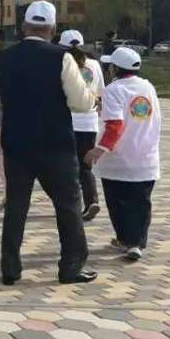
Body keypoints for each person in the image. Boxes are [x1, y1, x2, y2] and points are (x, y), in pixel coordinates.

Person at [0, 1, 98, 286]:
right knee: (68, 205)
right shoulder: (62, 57)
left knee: (16, 205)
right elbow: (80, 103)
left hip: (16, 143)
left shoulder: (3, 59)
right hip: (55, 142)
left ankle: (10, 267)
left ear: (23, 27)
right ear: (53, 29)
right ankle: (70, 265)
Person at [85, 47, 162, 262]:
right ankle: (137, 242)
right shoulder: (148, 87)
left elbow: (116, 126)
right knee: (141, 203)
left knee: (118, 202)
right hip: (146, 158)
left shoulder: (113, 90)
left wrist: (98, 150)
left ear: (115, 68)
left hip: (119, 160)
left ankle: (124, 239)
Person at [59, 29, 105, 221]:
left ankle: (70, 202)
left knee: (65, 165)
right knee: (85, 166)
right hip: (89, 122)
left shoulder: (62, 63)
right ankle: (91, 200)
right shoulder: (94, 64)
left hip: (68, 120)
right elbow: (101, 91)